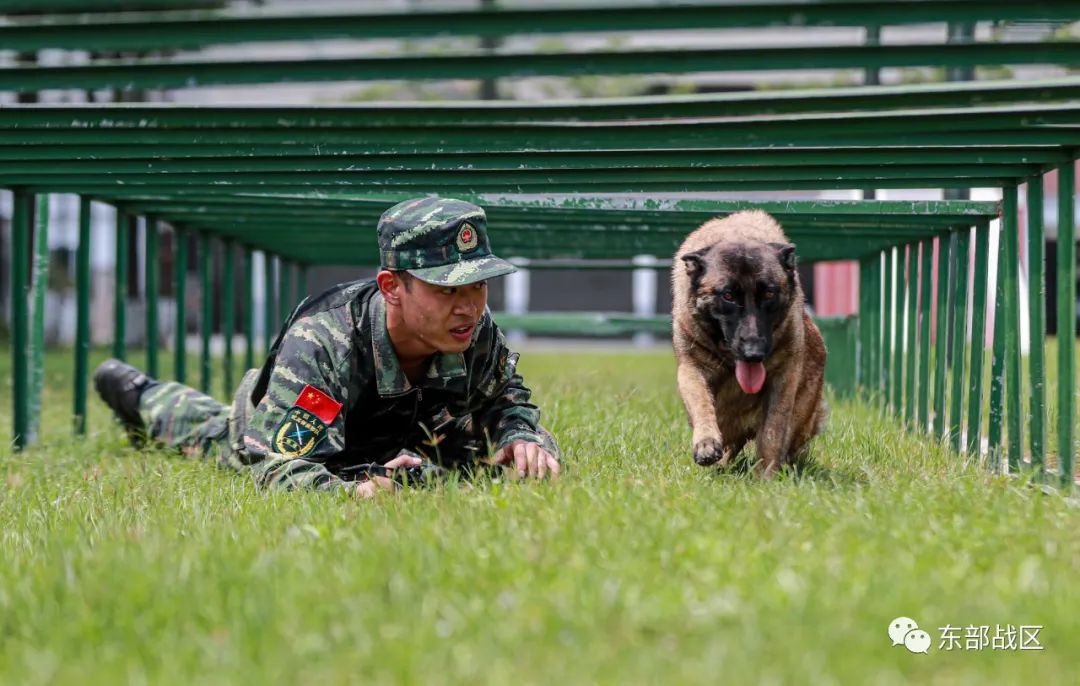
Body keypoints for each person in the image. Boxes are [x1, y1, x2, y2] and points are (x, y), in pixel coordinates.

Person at [94, 197, 560, 498]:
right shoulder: (323, 343)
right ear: (391, 286)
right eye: (447, 290)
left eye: (478, 286)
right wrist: (352, 492)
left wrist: (521, 438)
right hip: (290, 419)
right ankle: (141, 396)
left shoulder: (470, 329)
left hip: (398, 440)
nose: (468, 307)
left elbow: (505, 397)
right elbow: (279, 465)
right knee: (216, 436)